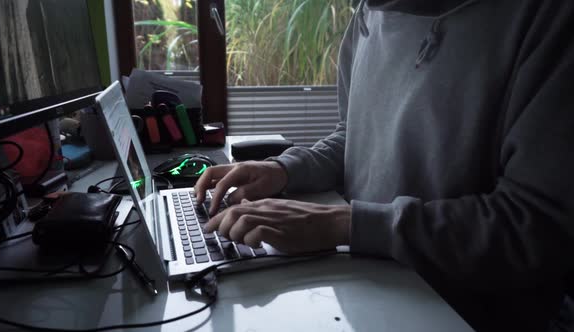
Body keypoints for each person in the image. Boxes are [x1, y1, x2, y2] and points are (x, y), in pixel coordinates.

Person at [195, 0, 574, 331]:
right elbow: (353, 133)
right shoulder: (370, 11)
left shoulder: (549, 20)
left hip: (464, 311)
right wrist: (284, 170)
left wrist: (343, 224)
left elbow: (535, 225)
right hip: (366, 281)